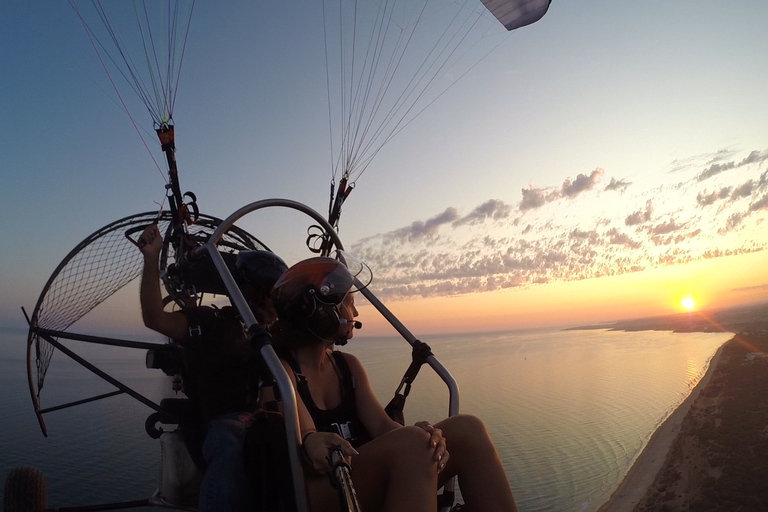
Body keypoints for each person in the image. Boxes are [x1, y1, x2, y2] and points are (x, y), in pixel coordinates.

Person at [270, 256, 518, 512]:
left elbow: (382, 426)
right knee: (412, 444)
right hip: (317, 490)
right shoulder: (280, 371)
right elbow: (308, 438)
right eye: (350, 303)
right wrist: (315, 442)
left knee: (468, 429)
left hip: (356, 476)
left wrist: (425, 435)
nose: (355, 313)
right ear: (323, 311)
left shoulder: (347, 366)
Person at [137, 223, 288, 512]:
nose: (275, 303)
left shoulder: (273, 338)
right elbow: (156, 318)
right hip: (225, 424)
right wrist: (151, 258)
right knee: (233, 444)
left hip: (268, 422)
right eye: (269, 294)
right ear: (252, 294)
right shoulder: (209, 324)